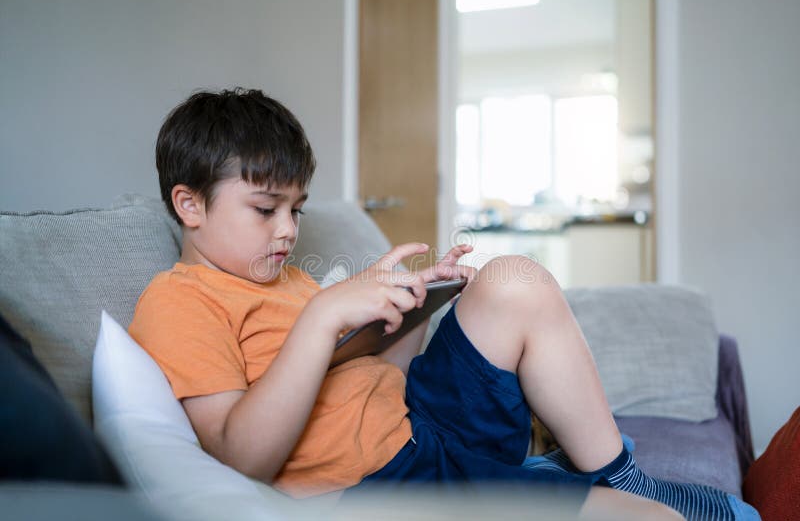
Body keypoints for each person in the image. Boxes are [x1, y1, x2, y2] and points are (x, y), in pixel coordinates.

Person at [129, 88, 758, 520]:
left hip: (421, 420)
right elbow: (240, 459)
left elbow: (365, 370)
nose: (288, 230)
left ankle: (619, 472)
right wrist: (324, 317)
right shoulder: (180, 300)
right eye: (266, 210)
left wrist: (404, 303)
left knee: (514, 279)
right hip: (387, 481)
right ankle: (579, 484)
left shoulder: (283, 278)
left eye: (296, 209)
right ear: (190, 204)